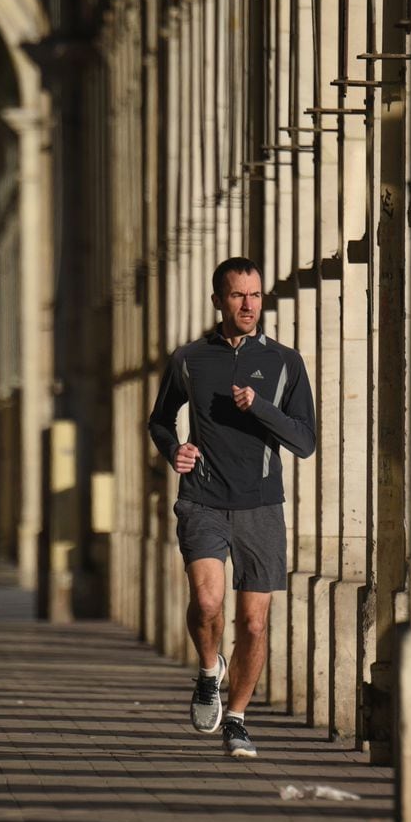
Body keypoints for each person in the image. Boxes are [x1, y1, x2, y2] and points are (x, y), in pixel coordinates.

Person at [147, 256, 316, 758]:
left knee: (256, 622)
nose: (249, 305)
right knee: (207, 603)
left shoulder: (286, 362)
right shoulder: (190, 359)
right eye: (239, 295)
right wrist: (172, 449)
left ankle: (238, 718)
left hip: (261, 506)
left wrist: (258, 407)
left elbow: (304, 441)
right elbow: (159, 420)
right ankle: (207, 671)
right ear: (218, 300)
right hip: (202, 499)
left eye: (256, 295)